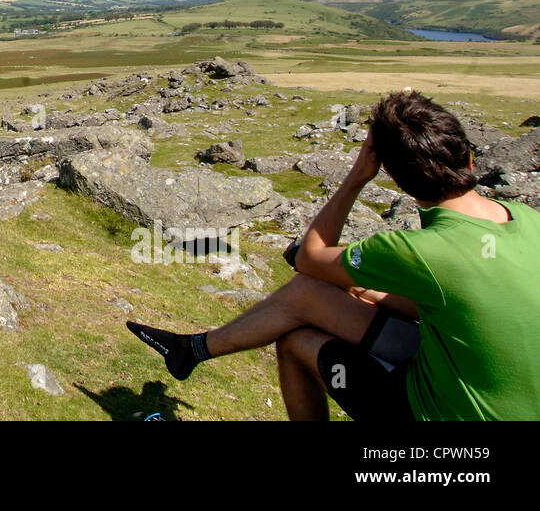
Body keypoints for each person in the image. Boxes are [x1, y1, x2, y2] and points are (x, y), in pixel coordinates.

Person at [126, 89, 540, 420]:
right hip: (484, 378)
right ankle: (192, 350)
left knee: (294, 339)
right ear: (469, 157)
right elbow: (460, 302)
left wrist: (357, 177)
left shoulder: (419, 251)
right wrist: (372, 292)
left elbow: (310, 256)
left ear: (393, 178)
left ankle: (192, 351)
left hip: (444, 413)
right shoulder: (527, 220)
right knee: (312, 293)